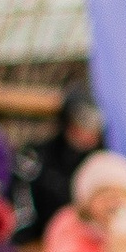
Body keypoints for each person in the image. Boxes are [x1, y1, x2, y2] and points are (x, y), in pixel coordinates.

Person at [26, 91, 108, 240]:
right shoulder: (38, 157)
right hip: (39, 244)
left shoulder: (103, 164)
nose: (88, 134)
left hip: (90, 244)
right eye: (82, 124)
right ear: (68, 122)